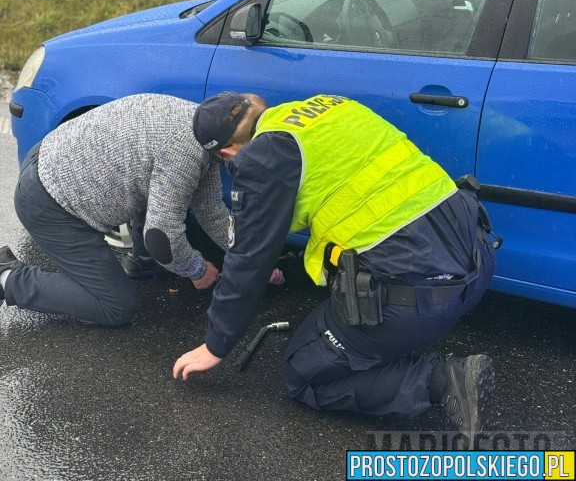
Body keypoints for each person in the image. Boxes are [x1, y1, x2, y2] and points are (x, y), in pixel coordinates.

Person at [173, 92, 499, 440]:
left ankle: (444, 381)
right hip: (477, 259)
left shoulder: (261, 157)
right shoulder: (332, 107)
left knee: (303, 372)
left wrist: (217, 343)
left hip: (418, 298)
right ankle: (388, 343)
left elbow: (247, 260)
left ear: (226, 154)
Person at [0, 93, 230, 326]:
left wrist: (253, 256)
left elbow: (210, 209)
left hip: (51, 159)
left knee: (164, 186)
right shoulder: (184, 151)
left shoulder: (204, 127)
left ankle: (144, 261)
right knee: (116, 306)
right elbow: (163, 235)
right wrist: (197, 269)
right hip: (52, 206)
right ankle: (8, 278)